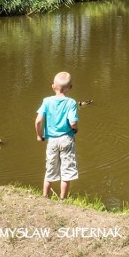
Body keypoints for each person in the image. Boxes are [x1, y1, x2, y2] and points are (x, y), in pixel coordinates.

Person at [34, 71, 79, 199]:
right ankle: (63, 199)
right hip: (66, 140)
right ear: (70, 88)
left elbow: (38, 121)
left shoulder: (47, 101)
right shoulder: (71, 103)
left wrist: (39, 135)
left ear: (53, 86)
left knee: (50, 169)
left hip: (52, 141)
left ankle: (45, 196)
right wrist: (76, 129)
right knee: (66, 171)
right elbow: (73, 122)